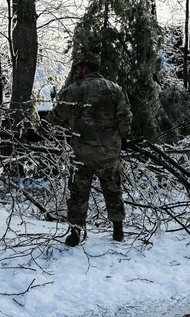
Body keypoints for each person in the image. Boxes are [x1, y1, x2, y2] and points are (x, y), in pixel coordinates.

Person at [50, 52, 133, 246]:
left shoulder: (74, 89)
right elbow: (125, 117)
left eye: (79, 68)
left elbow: (57, 116)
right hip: (109, 153)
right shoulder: (115, 89)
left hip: (82, 154)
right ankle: (118, 230)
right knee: (113, 191)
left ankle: (75, 233)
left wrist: (38, 131)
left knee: (78, 193)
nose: (77, 71)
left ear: (85, 68)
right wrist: (124, 137)